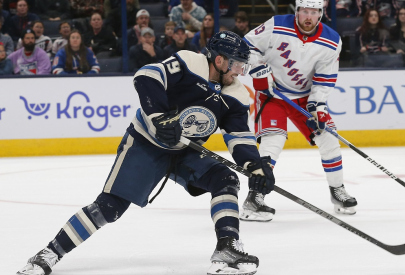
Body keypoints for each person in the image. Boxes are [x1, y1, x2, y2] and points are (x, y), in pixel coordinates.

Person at [16, 30, 273, 275]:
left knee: (225, 179)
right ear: (220, 60)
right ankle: (48, 253)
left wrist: (255, 165)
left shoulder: (237, 94)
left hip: (186, 150)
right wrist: (159, 118)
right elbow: (147, 76)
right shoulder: (189, 62)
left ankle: (226, 249)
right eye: (238, 64)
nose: (241, 71)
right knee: (109, 207)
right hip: (146, 143)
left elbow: (239, 136)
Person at [241, 0, 357, 221]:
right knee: (272, 142)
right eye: (304, 11)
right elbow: (247, 46)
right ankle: (255, 197)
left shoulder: (331, 41)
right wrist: (258, 70)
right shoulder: (276, 25)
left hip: (304, 98)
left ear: (321, 14)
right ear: (297, 11)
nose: (308, 17)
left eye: (313, 12)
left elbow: (324, 80)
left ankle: (337, 191)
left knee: (329, 138)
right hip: (272, 94)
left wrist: (319, 107)